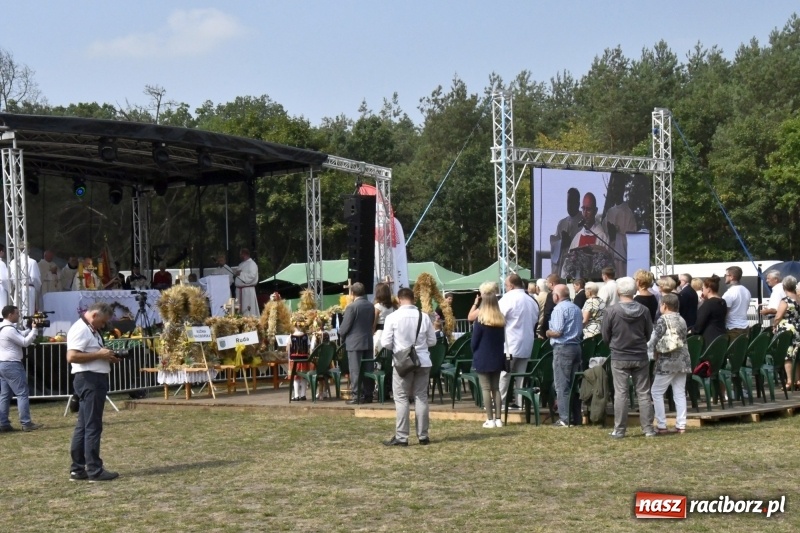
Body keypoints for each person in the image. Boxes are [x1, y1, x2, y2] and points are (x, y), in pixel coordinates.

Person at [67, 302, 120, 482]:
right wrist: (100, 355)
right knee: (92, 426)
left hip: (91, 378)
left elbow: (88, 352)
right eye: (103, 322)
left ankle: (78, 468)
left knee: (84, 425)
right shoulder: (81, 329)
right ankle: (94, 470)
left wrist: (107, 357)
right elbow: (72, 356)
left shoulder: (89, 329)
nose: (103, 325)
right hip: (90, 380)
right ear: (95, 315)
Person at [381, 287, 436, 446]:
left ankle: (402, 436)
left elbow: (385, 343)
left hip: (402, 361)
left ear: (399, 300)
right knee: (421, 396)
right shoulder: (424, 317)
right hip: (423, 360)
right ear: (414, 299)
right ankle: (423, 436)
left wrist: (399, 348)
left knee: (401, 397)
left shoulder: (393, 317)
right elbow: (432, 341)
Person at [601, 276, 655, 438]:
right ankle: (648, 429)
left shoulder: (611, 311)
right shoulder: (644, 311)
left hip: (619, 355)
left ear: (618, 291)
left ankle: (619, 430)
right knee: (644, 393)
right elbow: (649, 333)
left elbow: (605, 335)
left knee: (621, 394)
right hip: (639, 355)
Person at [646, 293, 691, 434]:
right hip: (683, 360)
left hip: (667, 361)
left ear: (664, 305)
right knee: (679, 392)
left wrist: (646, 351)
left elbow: (654, 339)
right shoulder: (682, 319)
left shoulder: (662, 320)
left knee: (656, 391)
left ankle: (661, 424)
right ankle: (681, 424)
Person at [498, 274, 539, 410]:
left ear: (511, 285)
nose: (505, 287)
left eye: (506, 285)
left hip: (510, 343)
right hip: (527, 343)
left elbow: (498, 319)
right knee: (521, 375)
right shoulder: (531, 300)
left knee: (505, 374)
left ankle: (501, 403)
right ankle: (519, 402)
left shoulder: (507, 299)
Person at [0, 305, 42, 432]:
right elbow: (24, 342)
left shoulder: (4, 328)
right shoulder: (9, 330)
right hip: (12, 364)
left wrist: (30, 328)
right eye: (17, 313)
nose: (19, 316)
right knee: (22, 393)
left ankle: (3, 423)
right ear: (10, 315)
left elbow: (20, 334)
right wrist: (34, 330)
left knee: (5, 395)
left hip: (3, 364)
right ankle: (26, 423)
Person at [546, 284, 583, 427]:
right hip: (576, 347)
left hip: (563, 348)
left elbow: (557, 332)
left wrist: (547, 332)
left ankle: (564, 419)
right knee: (573, 384)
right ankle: (576, 417)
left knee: (562, 385)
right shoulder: (576, 308)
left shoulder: (559, 309)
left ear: (557, 296)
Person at [470, 281, 506, 428]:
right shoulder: (500, 319)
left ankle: (489, 419)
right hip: (497, 356)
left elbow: (474, 342)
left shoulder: (480, 320)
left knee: (485, 388)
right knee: (496, 388)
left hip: (482, 356)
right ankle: (498, 419)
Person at [338, 282, 375, 404]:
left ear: (352, 293)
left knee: (355, 370)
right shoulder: (370, 306)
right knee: (368, 369)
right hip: (368, 340)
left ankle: (356, 396)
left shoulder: (352, 307)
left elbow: (344, 327)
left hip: (354, 342)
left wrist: (342, 338)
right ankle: (368, 395)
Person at [773, 276, 800, 388]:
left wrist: (774, 325)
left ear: (784, 286)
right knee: (797, 355)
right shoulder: (798, 299)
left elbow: (779, 316)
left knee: (787, 356)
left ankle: (789, 381)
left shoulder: (785, 300)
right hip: (798, 328)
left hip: (787, 330)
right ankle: (798, 380)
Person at [550, 187, 582, 276]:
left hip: (577, 263)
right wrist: (561, 243)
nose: (570, 205)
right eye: (568, 202)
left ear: (578, 203)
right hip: (563, 262)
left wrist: (570, 241)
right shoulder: (562, 223)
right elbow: (555, 244)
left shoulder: (584, 221)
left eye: (572, 202)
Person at [691, 275, 728, 349]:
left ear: (708, 289)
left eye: (703, 288)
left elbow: (700, 322)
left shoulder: (708, 303)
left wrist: (692, 331)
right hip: (721, 335)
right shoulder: (722, 301)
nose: (702, 290)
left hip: (709, 338)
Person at [722, 266, 752, 342]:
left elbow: (724, 312)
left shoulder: (729, 293)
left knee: (732, 353)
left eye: (726, 275)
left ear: (732, 277)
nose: (725, 277)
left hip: (732, 328)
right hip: (745, 327)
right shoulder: (746, 291)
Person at [287, 312, 310, 401]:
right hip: (304, 359)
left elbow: (288, 349)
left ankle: (296, 395)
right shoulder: (306, 336)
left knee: (295, 377)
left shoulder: (290, 337)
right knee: (303, 376)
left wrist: (289, 358)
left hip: (294, 360)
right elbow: (308, 347)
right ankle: (303, 394)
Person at [233, 249, 259, 317]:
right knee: (239, 310)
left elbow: (252, 276)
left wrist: (240, 274)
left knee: (248, 309)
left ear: (244, 254)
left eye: (240, 254)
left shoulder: (252, 264)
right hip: (239, 291)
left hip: (247, 291)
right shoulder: (241, 264)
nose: (240, 256)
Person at [536, 273, 560, 339]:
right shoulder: (564, 292)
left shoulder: (551, 295)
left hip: (551, 329)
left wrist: (544, 330)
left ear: (551, 283)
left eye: (547, 282)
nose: (546, 285)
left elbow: (547, 313)